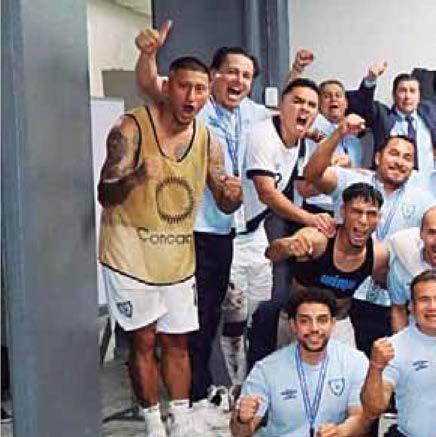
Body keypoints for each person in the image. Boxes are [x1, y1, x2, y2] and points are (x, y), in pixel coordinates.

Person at [135, 21, 274, 417]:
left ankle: (200, 392)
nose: (239, 80)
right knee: (185, 319)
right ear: (213, 76)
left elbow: (293, 117)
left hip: (224, 231)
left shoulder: (255, 114)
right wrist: (147, 55)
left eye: (246, 75)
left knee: (211, 314)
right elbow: (150, 84)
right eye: (231, 72)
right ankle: (190, 399)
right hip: (186, 230)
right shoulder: (194, 104)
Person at [98, 55, 241, 436]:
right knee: (144, 340)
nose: (191, 97)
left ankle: (181, 420)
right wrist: (136, 176)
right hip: (129, 253)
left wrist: (233, 194)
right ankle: (153, 424)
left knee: (179, 341)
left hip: (176, 255)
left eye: (200, 89)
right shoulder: (131, 127)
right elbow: (104, 193)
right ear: (167, 87)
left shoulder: (208, 140)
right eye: (183, 86)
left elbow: (225, 200)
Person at [304, 125, 435, 357]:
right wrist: (338, 134)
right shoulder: (351, 180)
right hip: (343, 296)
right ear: (377, 157)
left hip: (390, 302)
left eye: (407, 158)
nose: (400, 162)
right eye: (394, 154)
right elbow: (312, 175)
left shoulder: (424, 200)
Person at [241, 78, 337, 368]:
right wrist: (309, 218)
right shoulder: (262, 136)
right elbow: (266, 192)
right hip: (236, 230)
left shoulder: (301, 142)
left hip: (261, 226)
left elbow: (302, 186)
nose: (304, 109)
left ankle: (259, 367)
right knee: (235, 310)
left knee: (270, 300)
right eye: (297, 101)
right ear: (281, 106)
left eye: (311, 105)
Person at [230, 288, 371, 437]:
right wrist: (242, 420)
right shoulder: (266, 369)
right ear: (293, 325)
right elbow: (240, 434)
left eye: (322, 320)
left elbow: (360, 419)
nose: (314, 328)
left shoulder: (355, 362)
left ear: (333, 324)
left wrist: (340, 432)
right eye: (305, 321)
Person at [266, 183, 388, 346]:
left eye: (371, 214)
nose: (363, 221)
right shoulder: (318, 239)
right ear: (343, 211)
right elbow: (270, 254)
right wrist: (286, 246)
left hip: (338, 323)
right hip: (299, 321)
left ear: (379, 218)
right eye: (356, 212)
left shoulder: (379, 255)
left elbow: (392, 286)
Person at [361, 269, 436, 437]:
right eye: (424, 299)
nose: (432, 307)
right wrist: (376, 367)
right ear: (411, 306)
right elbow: (373, 409)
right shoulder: (394, 347)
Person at [347, 62, 436, 175]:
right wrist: (371, 79)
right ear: (394, 95)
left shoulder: (430, 112)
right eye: (402, 91)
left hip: (427, 181)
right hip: (392, 181)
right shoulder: (382, 116)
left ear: (419, 96)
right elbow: (362, 104)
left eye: (412, 91)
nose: (407, 96)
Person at [387, 205, 436, 331]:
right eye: (432, 232)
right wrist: (402, 342)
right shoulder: (401, 267)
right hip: (419, 333)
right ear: (421, 233)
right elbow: (399, 309)